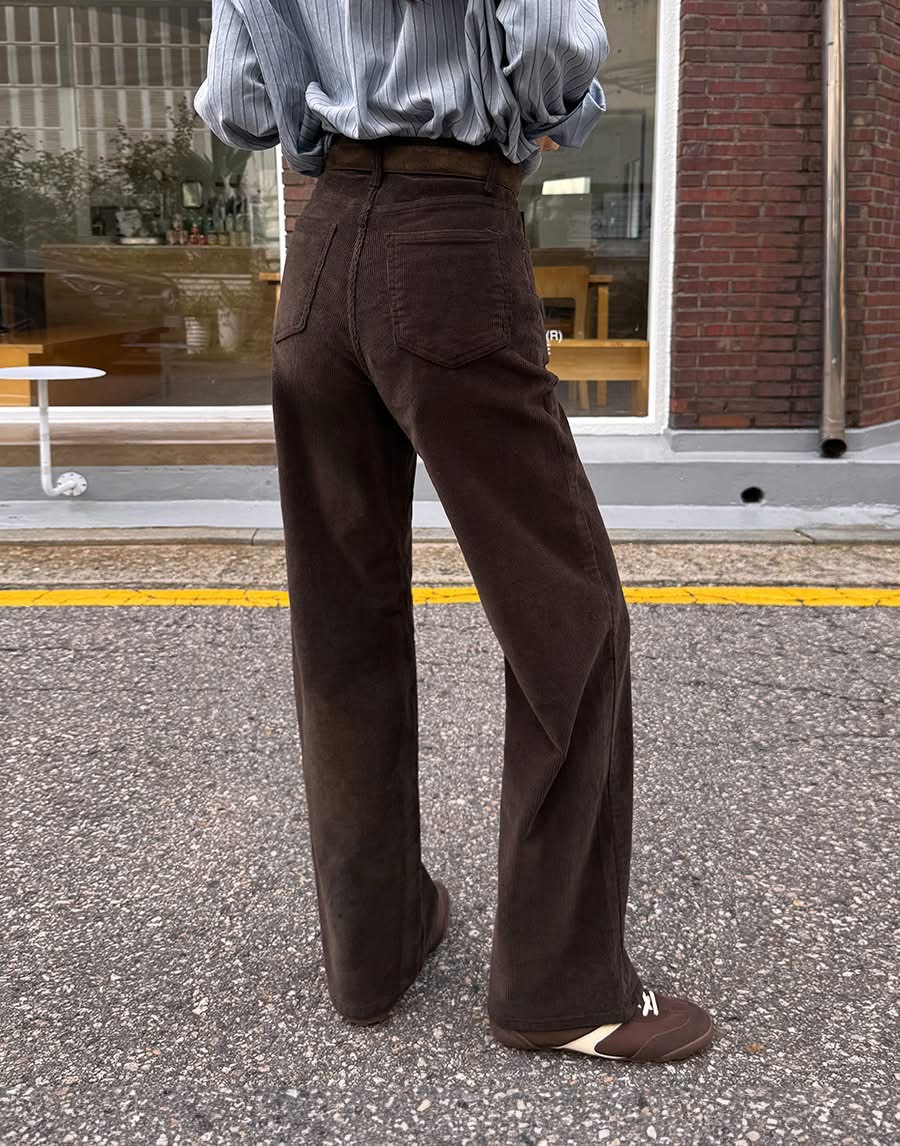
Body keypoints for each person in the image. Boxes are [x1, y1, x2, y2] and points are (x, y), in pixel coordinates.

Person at [195, 0, 714, 1063]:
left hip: (319, 250)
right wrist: (556, 113)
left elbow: (238, 101)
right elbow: (553, 41)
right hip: (448, 238)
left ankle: (372, 950)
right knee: (569, 623)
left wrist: (334, 120)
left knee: (343, 624)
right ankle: (562, 988)